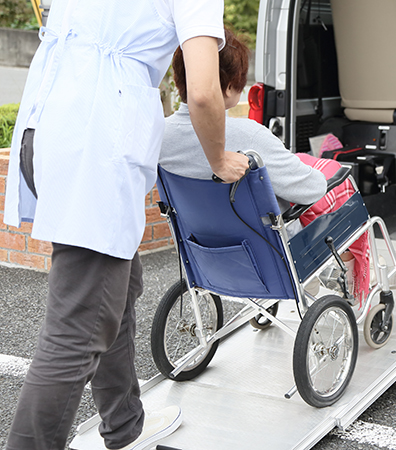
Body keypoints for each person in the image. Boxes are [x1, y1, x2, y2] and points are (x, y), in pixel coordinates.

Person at [3, 0, 250, 449]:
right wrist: (218, 158)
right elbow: (203, 89)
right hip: (93, 139)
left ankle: (124, 424)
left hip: (50, 126)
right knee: (77, 328)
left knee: (118, 287)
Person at [159, 29, 372, 306]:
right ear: (225, 86)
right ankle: (353, 276)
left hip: (205, 255)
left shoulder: (159, 135)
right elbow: (310, 189)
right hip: (269, 257)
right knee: (342, 195)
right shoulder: (248, 135)